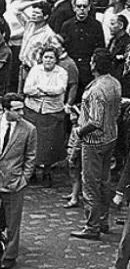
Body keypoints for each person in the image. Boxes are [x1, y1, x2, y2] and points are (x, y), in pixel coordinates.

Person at [0, 92, 36, 269]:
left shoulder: (29, 129)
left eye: (22, 109)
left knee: (12, 221)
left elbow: (31, 157)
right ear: (6, 110)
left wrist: (24, 178)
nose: (22, 113)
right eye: (17, 110)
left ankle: (9, 255)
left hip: (13, 181)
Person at [71, 50, 123, 241]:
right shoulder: (114, 82)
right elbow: (116, 110)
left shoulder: (96, 90)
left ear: (94, 65)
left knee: (90, 184)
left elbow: (95, 121)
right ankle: (103, 220)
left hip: (94, 141)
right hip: (111, 136)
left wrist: (79, 131)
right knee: (104, 180)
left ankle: (92, 226)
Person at [22, 45, 69, 182]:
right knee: (33, 142)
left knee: (49, 145)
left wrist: (40, 89)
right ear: (41, 58)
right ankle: (32, 172)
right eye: (46, 57)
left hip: (52, 113)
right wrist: (47, 92)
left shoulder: (62, 73)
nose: (48, 60)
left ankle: (47, 172)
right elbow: (27, 89)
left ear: (56, 59)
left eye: (51, 58)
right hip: (33, 111)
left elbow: (59, 89)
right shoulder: (35, 70)